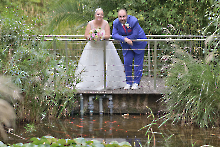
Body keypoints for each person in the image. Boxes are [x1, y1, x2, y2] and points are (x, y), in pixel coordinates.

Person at [75, 8, 126, 90]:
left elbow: (108, 35)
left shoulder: (105, 23)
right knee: (91, 66)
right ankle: (91, 83)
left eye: (101, 14)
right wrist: (92, 37)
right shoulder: (90, 23)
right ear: (95, 15)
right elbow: (86, 35)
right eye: (98, 14)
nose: (100, 16)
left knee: (105, 65)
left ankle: (106, 83)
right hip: (93, 47)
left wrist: (100, 37)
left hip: (104, 48)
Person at [112, 9, 147, 90]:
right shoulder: (115, 23)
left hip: (139, 43)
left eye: (124, 16)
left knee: (138, 64)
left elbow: (135, 35)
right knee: (127, 63)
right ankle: (128, 82)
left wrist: (122, 38)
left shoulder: (134, 21)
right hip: (126, 44)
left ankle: (136, 83)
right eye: (120, 17)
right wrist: (125, 39)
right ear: (118, 17)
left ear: (127, 16)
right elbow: (114, 35)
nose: (122, 18)